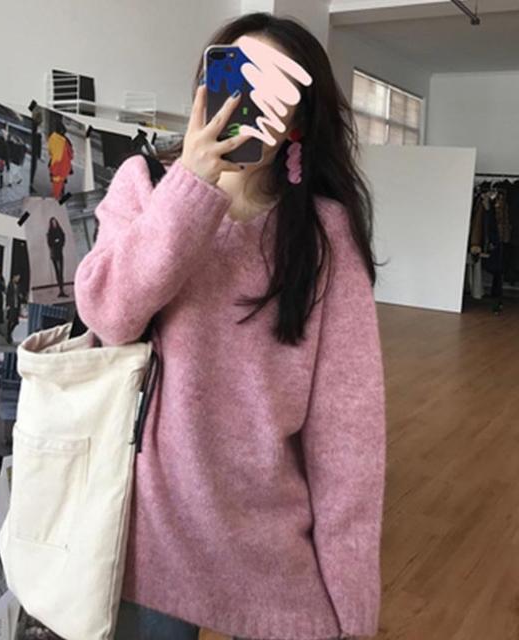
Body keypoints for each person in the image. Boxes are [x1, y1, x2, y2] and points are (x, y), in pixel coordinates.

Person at [74, 13, 385, 640]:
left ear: (295, 122)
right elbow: (107, 312)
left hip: (269, 540)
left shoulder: (324, 235)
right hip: (150, 530)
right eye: (233, 80)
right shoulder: (144, 186)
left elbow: (349, 434)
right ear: (205, 89)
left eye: (270, 89)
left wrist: (353, 603)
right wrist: (190, 188)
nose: (242, 104)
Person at [47, 119, 74, 199]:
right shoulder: (66, 141)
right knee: (61, 180)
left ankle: (56, 194)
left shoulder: (52, 137)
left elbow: (50, 151)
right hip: (64, 165)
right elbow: (71, 155)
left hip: (54, 163)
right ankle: (60, 194)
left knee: (56, 180)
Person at [47, 217, 67, 298]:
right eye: (53, 223)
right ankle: (60, 289)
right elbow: (50, 243)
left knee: (61, 271)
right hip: (54, 254)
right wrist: (56, 241)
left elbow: (63, 239)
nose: (54, 224)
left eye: (55, 222)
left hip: (60, 252)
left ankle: (62, 289)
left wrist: (59, 242)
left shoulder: (60, 230)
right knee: (57, 272)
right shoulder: (50, 232)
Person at [5, 273, 26, 343]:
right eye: (17, 277)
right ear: (14, 277)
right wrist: (8, 305)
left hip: (17, 305)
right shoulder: (10, 285)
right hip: (11, 305)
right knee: (10, 320)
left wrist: (21, 296)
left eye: (19, 278)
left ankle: (9, 332)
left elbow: (20, 294)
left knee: (16, 321)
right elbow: (8, 295)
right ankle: (8, 335)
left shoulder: (18, 285)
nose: (18, 279)